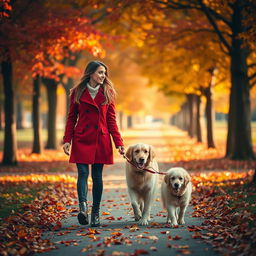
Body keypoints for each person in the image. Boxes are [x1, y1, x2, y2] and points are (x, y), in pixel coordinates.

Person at [62, 60, 125, 227]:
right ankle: (83, 208)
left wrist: (119, 143)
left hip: (100, 138)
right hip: (82, 138)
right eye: (99, 72)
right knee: (82, 173)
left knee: (97, 176)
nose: (102, 76)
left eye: (104, 73)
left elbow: (111, 120)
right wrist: (67, 140)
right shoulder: (77, 92)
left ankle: (95, 213)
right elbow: (71, 118)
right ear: (90, 73)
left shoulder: (108, 92)